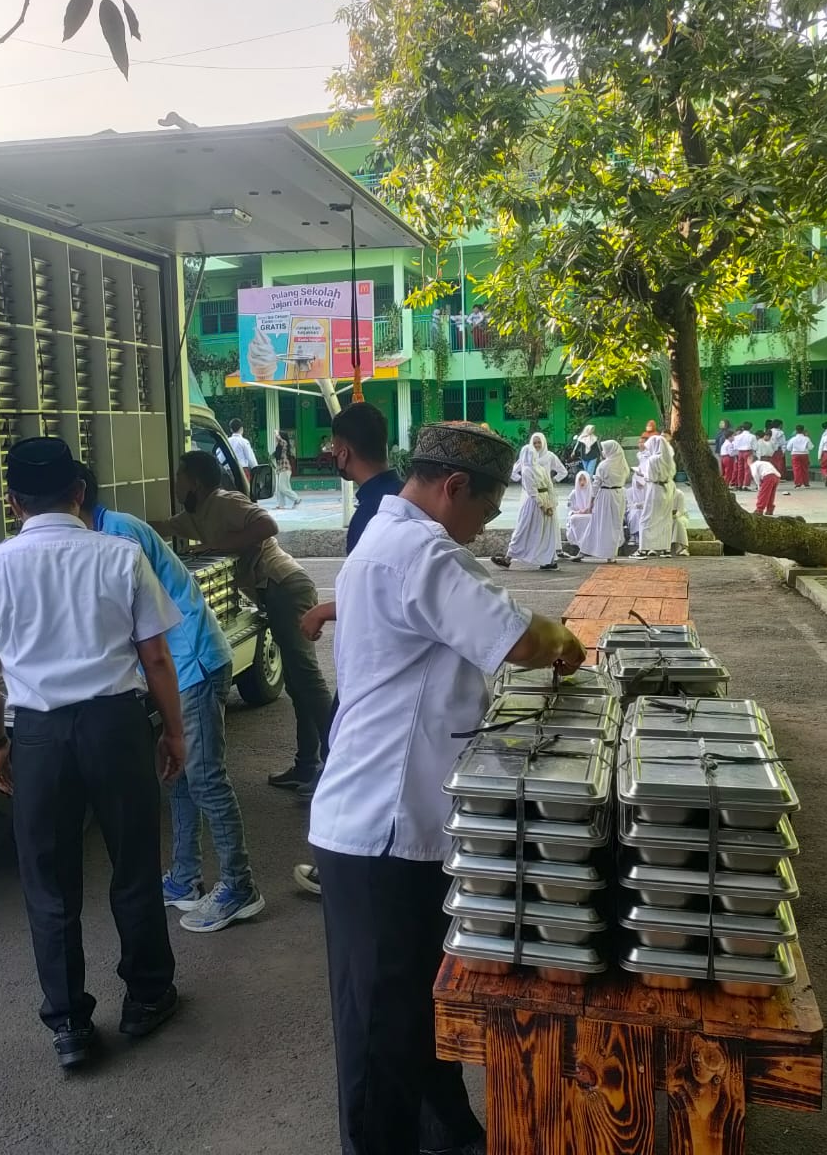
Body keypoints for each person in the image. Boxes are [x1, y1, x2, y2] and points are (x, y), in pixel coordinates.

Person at [309, 421, 586, 1155]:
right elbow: (523, 640)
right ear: (453, 487)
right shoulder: (419, 550)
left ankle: (447, 1134)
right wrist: (565, 641)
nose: (485, 527)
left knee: (419, 1008)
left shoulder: (389, 538)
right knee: (381, 1038)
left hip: (397, 816)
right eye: (485, 511)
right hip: (382, 827)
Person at [0, 438, 184, 1070]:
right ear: (79, 492)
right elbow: (156, 658)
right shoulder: (121, 556)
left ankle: (69, 1027)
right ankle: (146, 997)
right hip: (117, 729)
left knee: (49, 881)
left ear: (12, 502)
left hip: (39, 736)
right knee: (133, 864)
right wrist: (174, 732)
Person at [75, 462, 264, 935]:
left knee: (205, 778)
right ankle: (184, 878)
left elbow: (123, 616)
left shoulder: (117, 536)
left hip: (191, 661)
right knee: (179, 776)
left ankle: (240, 886)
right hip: (172, 667)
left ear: (75, 498)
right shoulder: (104, 532)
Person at [155, 450, 333, 792]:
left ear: (195, 482)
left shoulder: (225, 501)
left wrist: (214, 545)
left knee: (307, 681)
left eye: (179, 478)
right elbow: (160, 527)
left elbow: (268, 525)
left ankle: (339, 766)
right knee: (298, 684)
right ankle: (307, 766)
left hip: (285, 586)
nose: (175, 485)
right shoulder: (196, 514)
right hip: (274, 592)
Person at [292, 401, 405, 894]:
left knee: (344, 755)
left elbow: (374, 592)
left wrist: (321, 610)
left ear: (342, 450)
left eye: (331, 447)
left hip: (375, 659)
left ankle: (342, 867)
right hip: (391, 658)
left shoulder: (375, 513)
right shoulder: (398, 498)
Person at [495, 432, 563, 569]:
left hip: (534, 504)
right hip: (543, 501)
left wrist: (544, 504)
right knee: (543, 531)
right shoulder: (537, 469)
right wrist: (550, 503)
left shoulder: (528, 470)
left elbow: (533, 491)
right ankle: (547, 560)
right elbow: (547, 486)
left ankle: (510, 558)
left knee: (524, 529)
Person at [573, 439, 629, 561]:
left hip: (605, 496)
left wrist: (592, 500)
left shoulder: (604, 465)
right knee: (614, 525)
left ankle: (584, 551)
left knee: (597, 524)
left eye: (604, 450)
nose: (603, 452)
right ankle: (610, 555)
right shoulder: (623, 465)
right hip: (618, 496)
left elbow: (596, 484)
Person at [634, 433, 677, 558]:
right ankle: (665, 549)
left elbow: (649, 477)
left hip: (655, 489)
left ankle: (643, 549)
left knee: (647, 518)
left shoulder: (653, 460)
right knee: (664, 518)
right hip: (667, 488)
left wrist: (641, 473)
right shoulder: (668, 458)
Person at [564, 469, 594, 556]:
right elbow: (569, 509)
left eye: (584, 479)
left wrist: (589, 510)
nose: (582, 482)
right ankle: (581, 545)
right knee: (574, 519)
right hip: (577, 515)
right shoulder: (573, 494)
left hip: (590, 515)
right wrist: (578, 512)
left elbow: (596, 508)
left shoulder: (592, 493)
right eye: (580, 479)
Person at [270, 430, 302, 510]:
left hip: (285, 468)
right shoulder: (278, 447)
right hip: (280, 469)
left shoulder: (284, 443)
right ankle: (281, 505)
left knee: (283, 488)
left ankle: (297, 499)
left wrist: (276, 433)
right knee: (279, 489)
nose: (276, 438)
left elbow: (280, 440)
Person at [749, 443, 781, 516]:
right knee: (771, 494)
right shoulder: (764, 462)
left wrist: (758, 485)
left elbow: (755, 474)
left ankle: (759, 509)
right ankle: (770, 509)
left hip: (768, 476)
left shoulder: (754, 464)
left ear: (750, 459)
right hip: (776, 476)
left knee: (763, 493)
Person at [731, 421, 756, 490]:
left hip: (740, 453)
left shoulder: (737, 437)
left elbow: (735, 446)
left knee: (740, 469)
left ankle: (739, 484)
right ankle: (746, 485)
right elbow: (755, 447)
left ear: (742, 428)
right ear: (751, 428)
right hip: (748, 452)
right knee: (747, 469)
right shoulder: (752, 436)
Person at [669, 484, 690, 555]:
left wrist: (674, 516)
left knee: (678, 522)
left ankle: (684, 547)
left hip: (681, 516)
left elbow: (680, 511)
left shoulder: (679, 494)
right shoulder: (662, 495)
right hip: (667, 517)